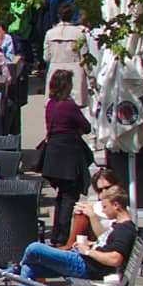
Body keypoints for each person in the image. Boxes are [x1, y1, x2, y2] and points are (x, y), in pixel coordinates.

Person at [34, 67, 94, 241]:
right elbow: (86, 127)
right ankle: (63, 236)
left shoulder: (50, 104)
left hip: (53, 156)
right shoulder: (69, 106)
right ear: (66, 85)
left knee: (61, 196)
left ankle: (57, 234)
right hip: (68, 156)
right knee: (69, 196)